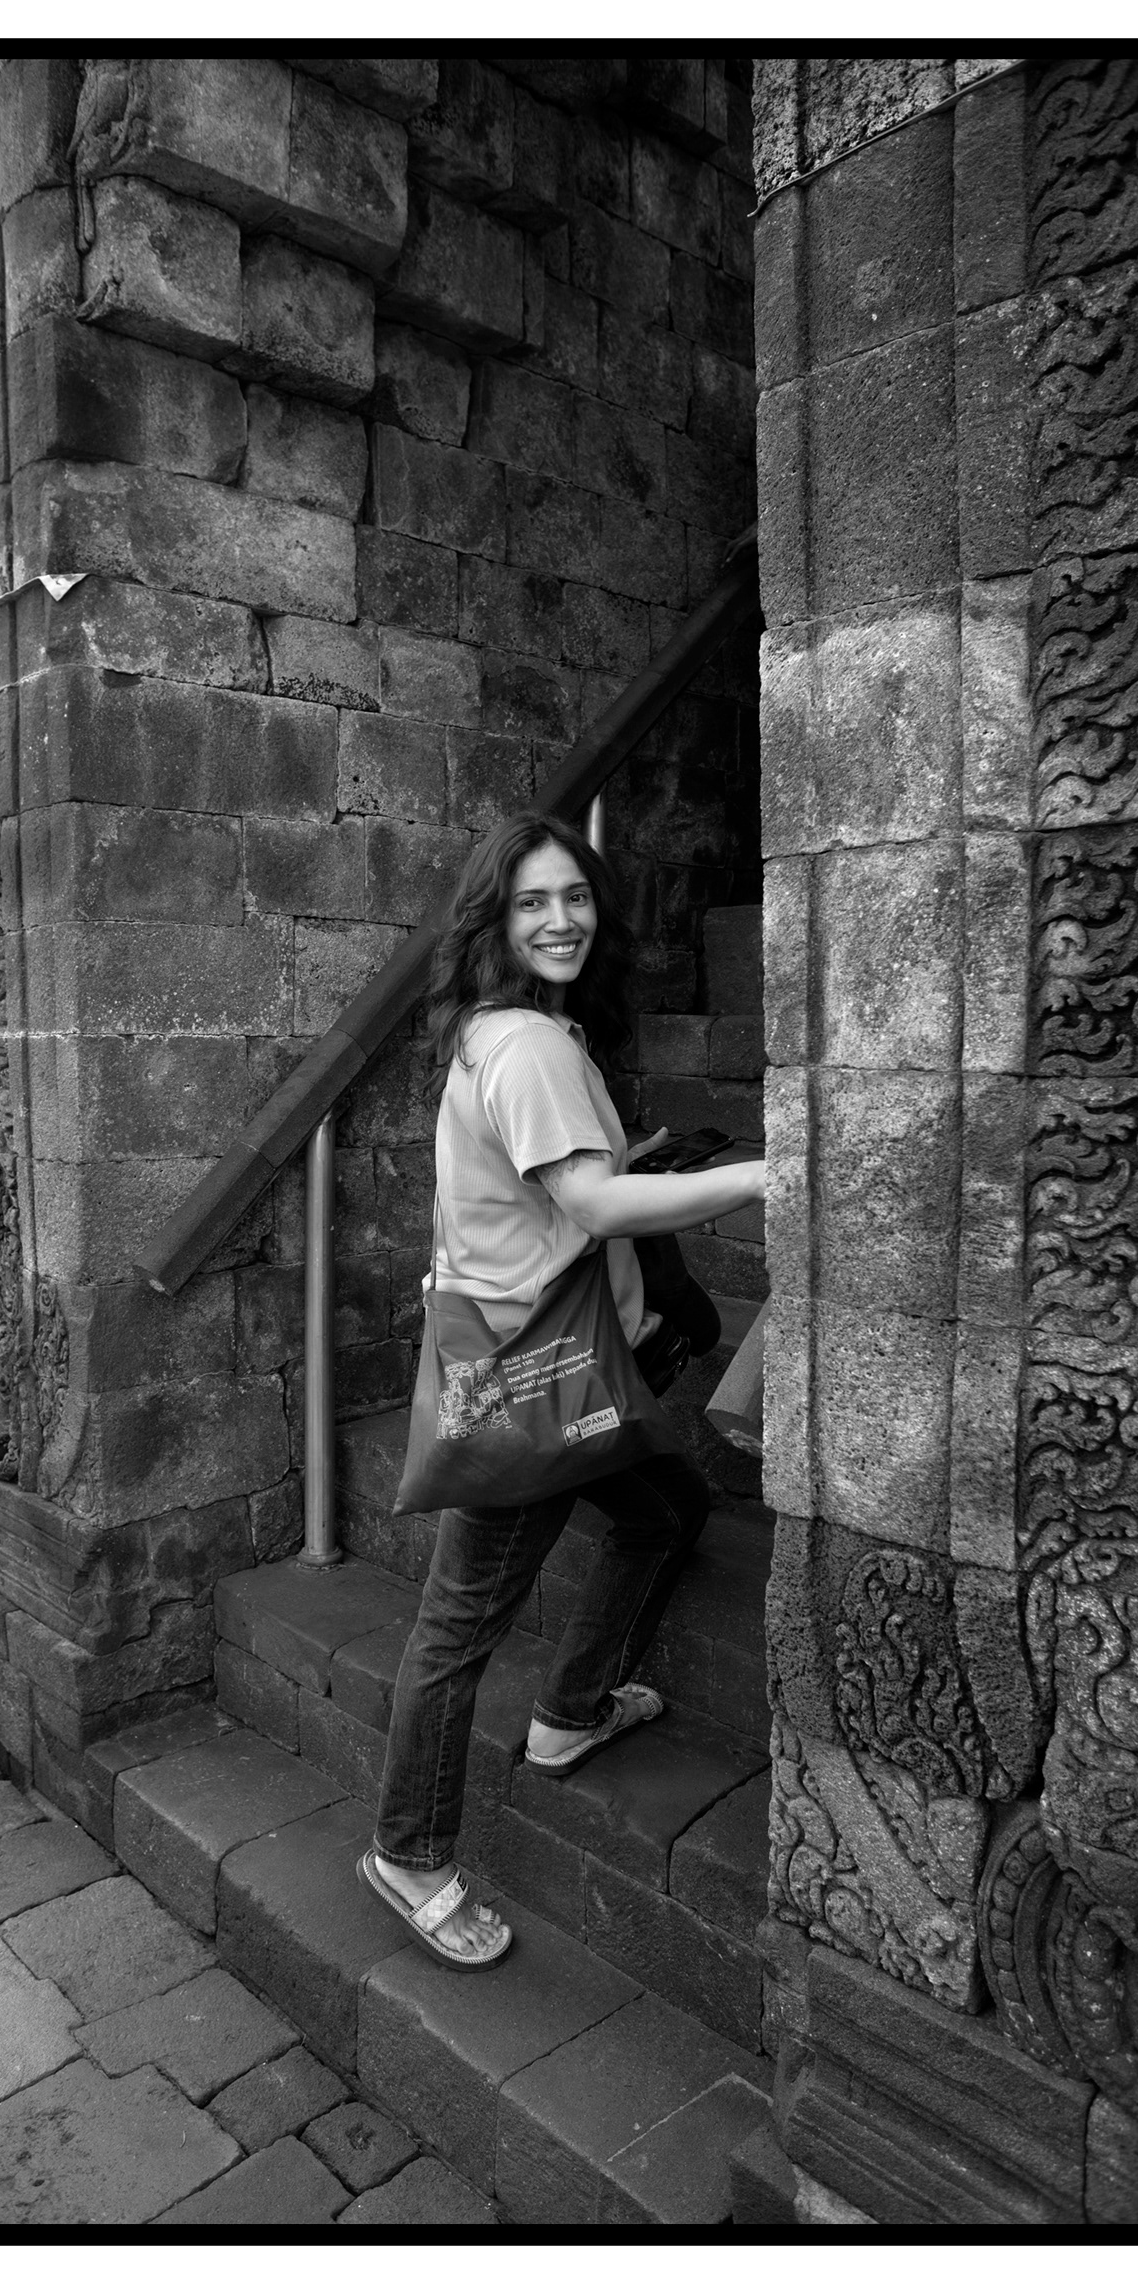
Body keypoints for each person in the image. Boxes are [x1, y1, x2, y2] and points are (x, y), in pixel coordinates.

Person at [359, 812, 766, 1968]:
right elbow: (587, 1206)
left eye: (575, 897)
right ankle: (409, 1853)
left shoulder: (502, 1032)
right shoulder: (531, 1046)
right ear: (494, 919)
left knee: (666, 1510)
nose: (560, 920)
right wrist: (765, 1175)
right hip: (533, 1374)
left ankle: (571, 1712)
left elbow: (556, 1190)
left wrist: (632, 1164)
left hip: (544, 1350)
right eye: (532, 902)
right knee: (456, 1629)